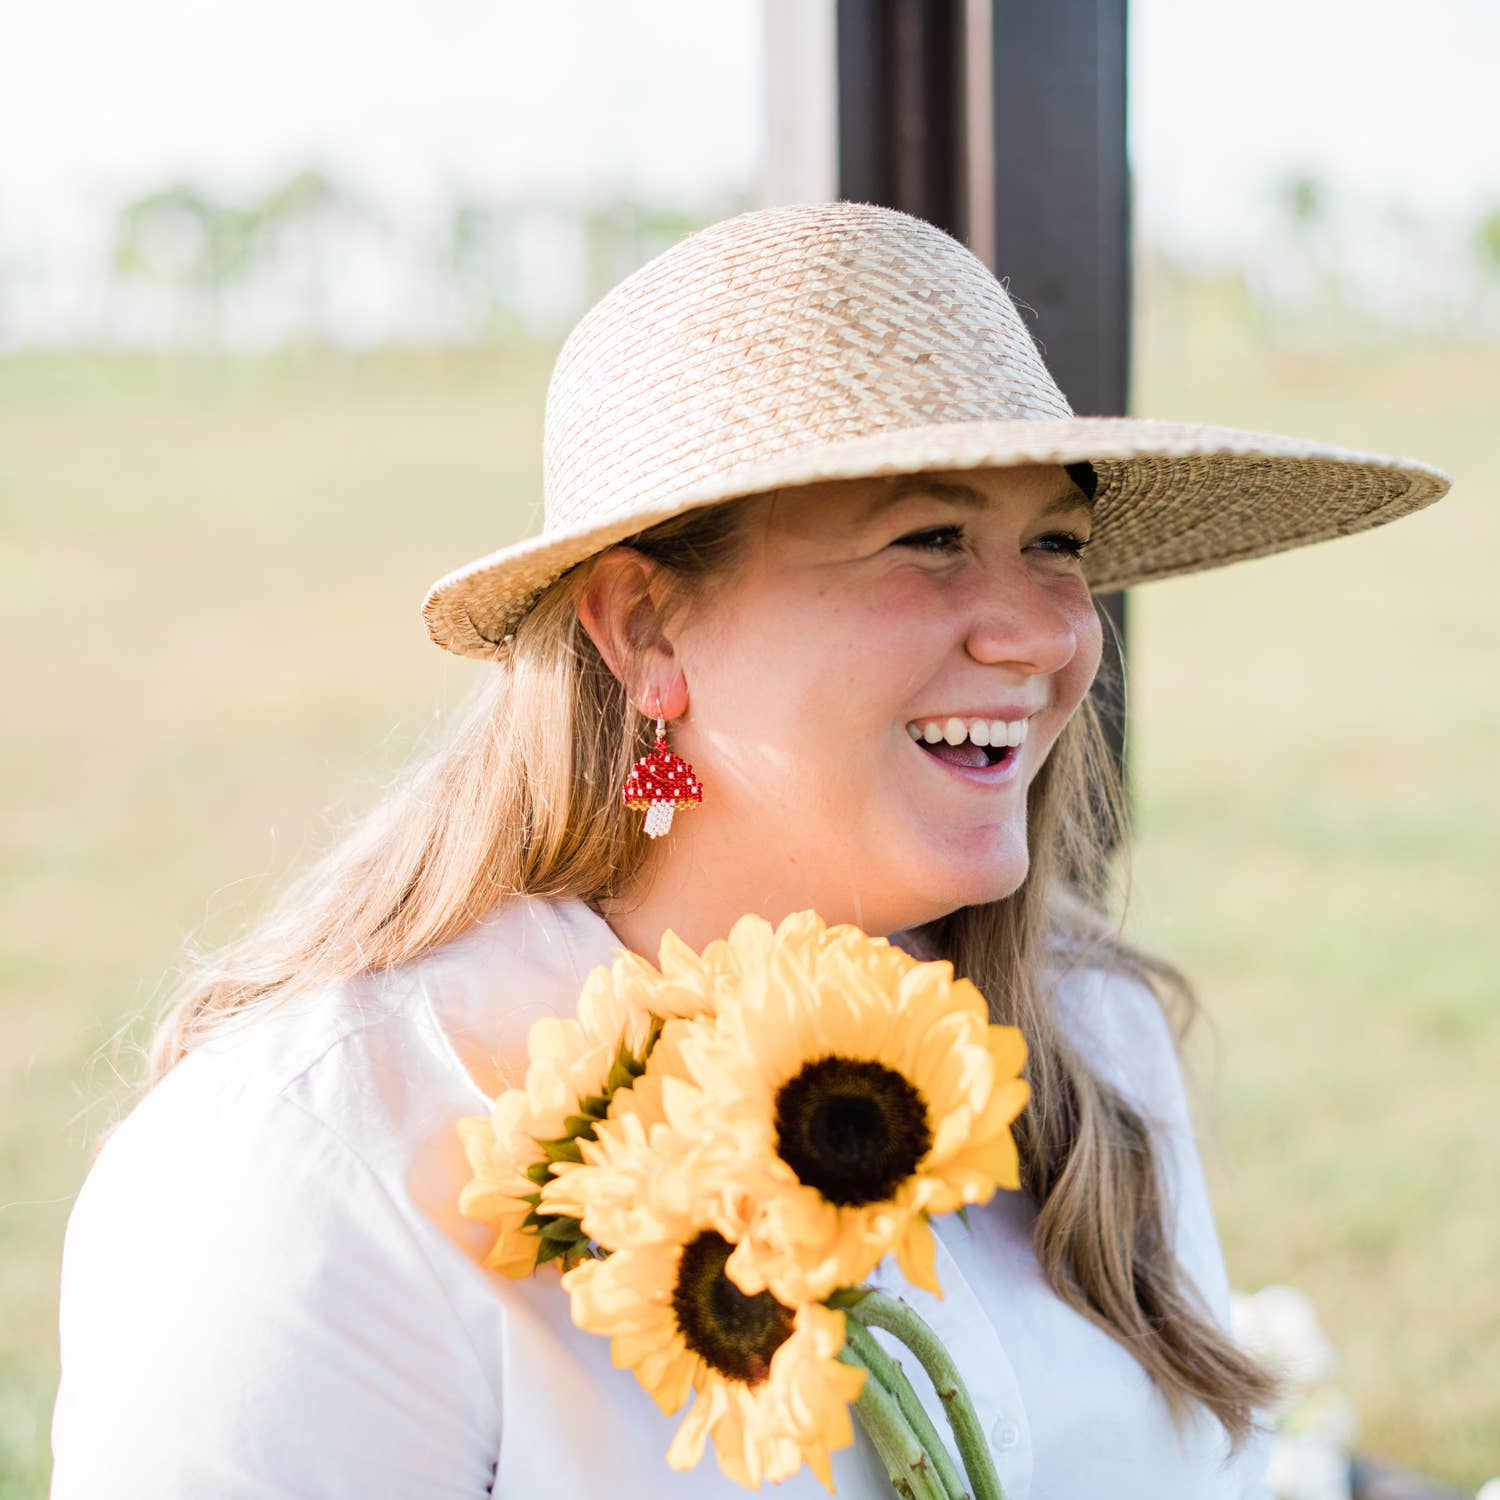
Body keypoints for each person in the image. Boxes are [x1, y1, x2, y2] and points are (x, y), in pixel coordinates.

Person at [49, 201, 1450, 1498]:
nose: (1039, 633)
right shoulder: (321, 1165)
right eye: (931, 537)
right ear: (646, 632)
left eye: (1056, 545)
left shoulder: (1094, 1043)